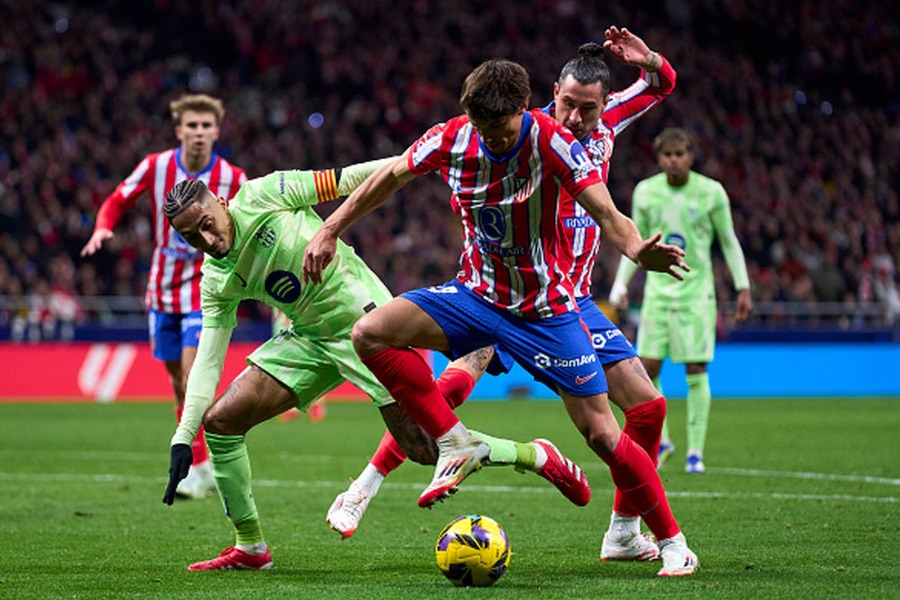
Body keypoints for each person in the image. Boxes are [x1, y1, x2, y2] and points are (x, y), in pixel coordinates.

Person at [303, 59, 698, 576]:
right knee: (371, 334)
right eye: (482, 127)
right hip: (476, 296)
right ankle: (451, 444)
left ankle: (670, 541)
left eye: (502, 127)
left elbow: (606, 212)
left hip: (548, 309)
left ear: (521, 110)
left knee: (604, 432)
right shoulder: (453, 137)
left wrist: (635, 250)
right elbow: (391, 175)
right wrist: (329, 229)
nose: (491, 138)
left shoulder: (553, 141)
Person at [160, 160, 591, 571]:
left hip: (368, 328)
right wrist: (184, 436)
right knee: (220, 423)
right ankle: (250, 547)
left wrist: (420, 160)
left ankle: (535, 454)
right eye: (191, 237)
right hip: (309, 339)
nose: (206, 239)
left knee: (425, 449)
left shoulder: (266, 194)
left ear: (219, 200)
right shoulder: (216, 278)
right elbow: (209, 358)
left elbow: (350, 178)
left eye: (206, 224)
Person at [81, 94, 247, 500]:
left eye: (206, 126)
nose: (199, 133)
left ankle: (203, 465)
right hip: (160, 291)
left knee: (193, 377)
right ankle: (203, 466)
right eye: (192, 126)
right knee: (177, 382)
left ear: (216, 131)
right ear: (179, 131)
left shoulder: (231, 177)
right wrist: (103, 227)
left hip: (202, 289)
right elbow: (119, 198)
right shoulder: (155, 167)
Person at [609, 127, 753, 474]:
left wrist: (743, 285)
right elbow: (635, 242)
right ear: (659, 158)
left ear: (691, 156)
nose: (673, 161)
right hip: (658, 293)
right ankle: (665, 441)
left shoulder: (710, 192)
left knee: (696, 367)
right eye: (667, 155)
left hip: (696, 294)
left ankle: (695, 454)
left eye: (679, 154)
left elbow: (728, 240)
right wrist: (620, 284)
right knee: (646, 368)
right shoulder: (647, 192)